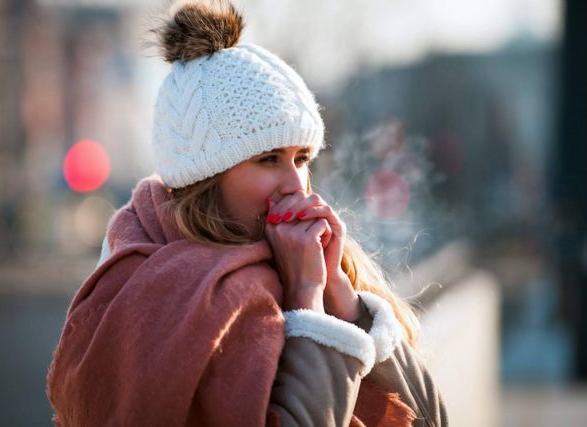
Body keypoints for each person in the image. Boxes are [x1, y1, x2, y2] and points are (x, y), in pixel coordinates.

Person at [46, 1, 448, 426]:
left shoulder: (319, 264)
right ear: (207, 179)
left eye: (302, 158)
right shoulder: (153, 289)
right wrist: (307, 305)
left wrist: (343, 300)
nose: (295, 184)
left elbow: (432, 420)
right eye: (269, 159)